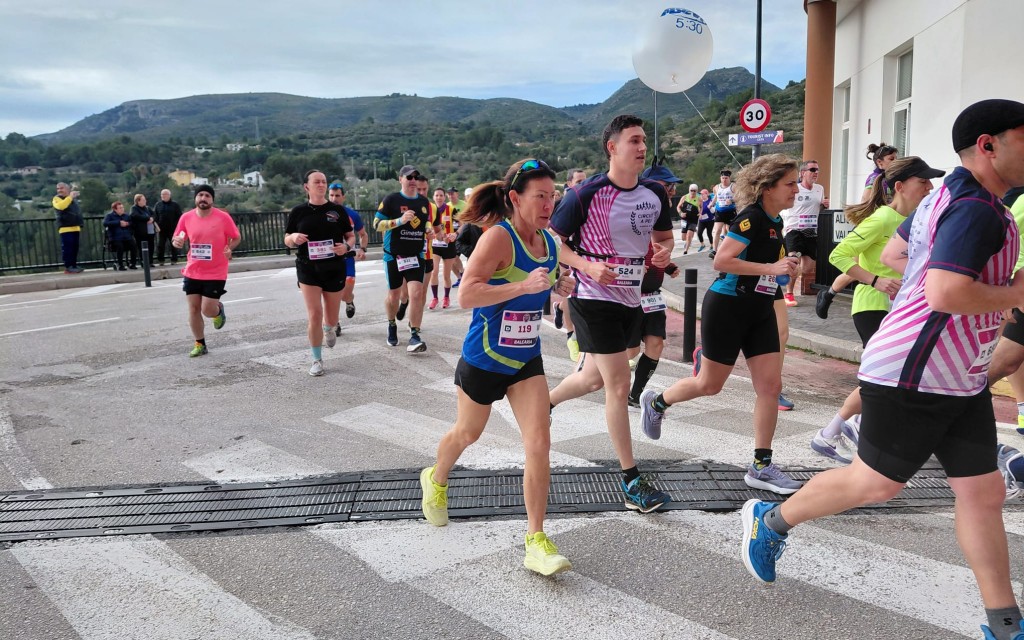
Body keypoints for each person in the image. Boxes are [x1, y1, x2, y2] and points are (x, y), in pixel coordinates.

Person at [740, 99, 1024, 640]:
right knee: (875, 484)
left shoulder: (945, 196)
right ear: (988, 145)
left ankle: (1004, 624)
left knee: (982, 492)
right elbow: (944, 292)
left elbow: (898, 253)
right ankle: (769, 521)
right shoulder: (976, 210)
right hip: (914, 370)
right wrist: (1014, 292)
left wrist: (919, 281)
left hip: (957, 373)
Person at [420, 158, 576, 576]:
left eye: (552, 196)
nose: (548, 204)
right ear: (514, 198)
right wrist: (523, 286)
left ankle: (536, 540)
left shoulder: (550, 241)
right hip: (485, 358)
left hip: (525, 357)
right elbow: (466, 295)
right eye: (539, 196)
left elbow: (552, 277)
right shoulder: (497, 239)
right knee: (468, 433)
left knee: (539, 441)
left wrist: (561, 285)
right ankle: (436, 477)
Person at [640, 154, 802, 495]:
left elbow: (767, 264)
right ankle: (656, 402)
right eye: (790, 183)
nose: (797, 188)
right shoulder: (751, 219)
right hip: (727, 307)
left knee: (770, 388)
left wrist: (786, 267)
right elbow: (722, 260)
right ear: (768, 186)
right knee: (709, 384)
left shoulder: (776, 222)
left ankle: (762, 464)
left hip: (760, 311)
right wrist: (772, 269)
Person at [548, 114, 675, 513]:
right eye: (634, 141)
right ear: (612, 147)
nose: (642, 148)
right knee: (618, 384)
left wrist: (664, 251)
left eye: (643, 141)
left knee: (591, 380)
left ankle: (545, 403)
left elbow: (664, 237)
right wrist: (586, 267)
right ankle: (631, 481)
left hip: (630, 298)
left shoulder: (655, 193)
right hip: (592, 297)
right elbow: (554, 242)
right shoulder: (585, 194)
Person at [811, 156, 944, 463]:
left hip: (901, 311)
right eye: (922, 181)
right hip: (873, 309)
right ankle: (834, 433)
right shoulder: (883, 219)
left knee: (899, 378)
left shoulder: (918, 220)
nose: (929, 187)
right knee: (882, 379)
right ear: (899, 186)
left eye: (930, 181)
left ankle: (865, 434)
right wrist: (875, 280)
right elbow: (839, 256)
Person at [816, 143, 899, 319]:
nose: (895, 162)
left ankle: (828, 294)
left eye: (896, 158)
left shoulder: (891, 179)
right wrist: (873, 224)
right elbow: (865, 202)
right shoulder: (875, 178)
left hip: (882, 229)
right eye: (891, 159)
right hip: (872, 230)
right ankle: (827, 294)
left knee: (857, 270)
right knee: (856, 269)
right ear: (880, 162)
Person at [284, 171, 355, 376]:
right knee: (315, 314)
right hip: (308, 267)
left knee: (330, 318)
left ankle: (329, 328)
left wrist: (346, 247)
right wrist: (293, 237)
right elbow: (287, 238)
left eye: (323, 181)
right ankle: (316, 359)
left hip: (334, 268)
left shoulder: (337, 211)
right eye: (317, 182)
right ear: (307, 187)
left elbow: (350, 237)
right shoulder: (298, 212)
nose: (321, 185)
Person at [374, 165, 439, 352]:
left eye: (415, 177)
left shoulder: (423, 202)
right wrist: (399, 221)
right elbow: (377, 224)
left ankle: (414, 335)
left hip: (415, 255)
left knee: (416, 294)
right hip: (393, 255)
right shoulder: (391, 200)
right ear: (400, 179)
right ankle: (391, 324)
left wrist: (427, 229)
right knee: (394, 295)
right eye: (408, 177)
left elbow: (426, 220)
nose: (412, 180)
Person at [171, 185, 241, 357]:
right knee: (193, 309)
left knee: (207, 310)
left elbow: (236, 236)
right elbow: (177, 237)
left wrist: (229, 248)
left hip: (216, 271)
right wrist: (176, 242)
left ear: (212, 199)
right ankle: (200, 343)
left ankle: (218, 311)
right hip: (193, 270)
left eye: (207, 195)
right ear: (195, 198)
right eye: (200, 195)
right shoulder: (186, 218)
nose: (203, 198)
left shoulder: (223, 217)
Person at [779, 160, 830, 307]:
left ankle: (787, 273)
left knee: (807, 268)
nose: (816, 173)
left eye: (817, 170)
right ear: (803, 173)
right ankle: (788, 293)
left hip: (811, 231)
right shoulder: (796, 188)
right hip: (794, 229)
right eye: (812, 170)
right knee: (793, 259)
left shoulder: (819, 189)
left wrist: (824, 204)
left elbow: (819, 208)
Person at [553, 168, 587, 362]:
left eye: (585, 180)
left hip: (584, 253)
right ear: (569, 183)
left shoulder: (588, 199)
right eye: (579, 181)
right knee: (570, 289)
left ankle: (559, 308)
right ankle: (571, 336)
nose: (583, 184)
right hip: (566, 251)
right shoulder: (563, 203)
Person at [327, 182, 368, 325]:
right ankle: (335, 323)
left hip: (347, 258)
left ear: (343, 197)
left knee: (345, 294)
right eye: (331, 195)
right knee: (332, 294)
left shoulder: (351, 214)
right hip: (329, 259)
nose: (334, 199)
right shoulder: (322, 214)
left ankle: (349, 300)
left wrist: (362, 249)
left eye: (337, 195)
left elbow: (363, 234)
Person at [428, 186, 459, 310]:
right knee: (434, 272)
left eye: (441, 195)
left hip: (448, 245)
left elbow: (461, 224)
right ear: (433, 197)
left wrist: (454, 234)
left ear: (444, 196)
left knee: (446, 275)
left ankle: (446, 298)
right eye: (436, 195)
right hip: (435, 245)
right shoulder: (430, 209)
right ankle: (435, 298)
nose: (439, 197)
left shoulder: (451, 209)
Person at [53, 182, 83, 274]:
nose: (59, 190)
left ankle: (74, 265)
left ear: (67, 189)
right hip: (65, 228)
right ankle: (68, 266)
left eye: (61, 188)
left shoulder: (73, 200)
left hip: (75, 227)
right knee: (67, 249)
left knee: (74, 248)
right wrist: (70, 197)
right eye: (58, 189)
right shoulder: (56, 199)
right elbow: (61, 206)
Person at [102, 201, 137, 271]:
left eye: (122, 207)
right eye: (120, 208)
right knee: (120, 247)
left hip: (127, 237)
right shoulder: (110, 216)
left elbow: (132, 223)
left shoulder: (126, 216)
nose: (122, 209)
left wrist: (127, 224)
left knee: (134, 245)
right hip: (115, 238)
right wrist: (118, 223)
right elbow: (105, 223)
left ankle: (132, 263)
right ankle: (120, 265)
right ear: (115, 209)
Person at [709, 169, 737, 258]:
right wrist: (711, 203)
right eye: (723, 178)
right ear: (720, 178)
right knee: (717, 231)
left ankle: (731, 250)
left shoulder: (733, 186)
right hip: (719, 211)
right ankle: (714, 250)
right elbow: (716, 196)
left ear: (729, 178)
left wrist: (732, 200)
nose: (724, 180)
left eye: (726, 178)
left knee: (730, 231)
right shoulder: (717, 187)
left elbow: (740, 197)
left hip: (730, 211)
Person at [154, 189, 183, 266]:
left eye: (165, 194)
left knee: (173, 245)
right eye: (162, 195)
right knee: (160, 245)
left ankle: (174, 259)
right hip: (161, 230)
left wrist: (178, 227)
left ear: (169, 195)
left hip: (173, 229)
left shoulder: (175, 205)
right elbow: (155, 216)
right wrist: (156, 226)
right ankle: (161, 260)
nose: (163, 196)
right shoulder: (158, 205)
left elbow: (180, 216)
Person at [129, 194, 158, 264]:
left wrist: (152, 219)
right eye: (143, 200)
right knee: (141, 247)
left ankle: (150, 261)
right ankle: (143, 261)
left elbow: (154, 214)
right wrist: (147, 218)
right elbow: (135, 215)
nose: (145, 201)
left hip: (150, 231)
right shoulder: (134, 208)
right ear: (138, 201)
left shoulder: (147, 208)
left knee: (151, 246)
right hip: (140, 231)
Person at [676, 183, 701, 254]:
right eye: (691, 190)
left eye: (694, 191)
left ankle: (686, 250)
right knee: (683, 237)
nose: (693, 192)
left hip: (693, 219)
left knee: (689, 234)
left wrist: (700, 213)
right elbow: (678, 207)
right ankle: (688, 240)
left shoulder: (699, 199)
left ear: (696, 191)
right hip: (685, 219)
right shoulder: (684, 197)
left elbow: (701, 207)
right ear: (689, 190)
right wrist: (681, 213)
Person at [695, 188, 714, 252]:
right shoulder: (699, 202)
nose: (701, 196)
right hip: (702, 220)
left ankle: (712, 245)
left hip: (710, 220)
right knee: (699, 233)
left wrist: (711, 207)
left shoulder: (710, 201)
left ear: (707, 194)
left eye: (703, 194)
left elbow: (713, 211)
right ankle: (702, 244)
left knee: (709, 233)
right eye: (701, 194)